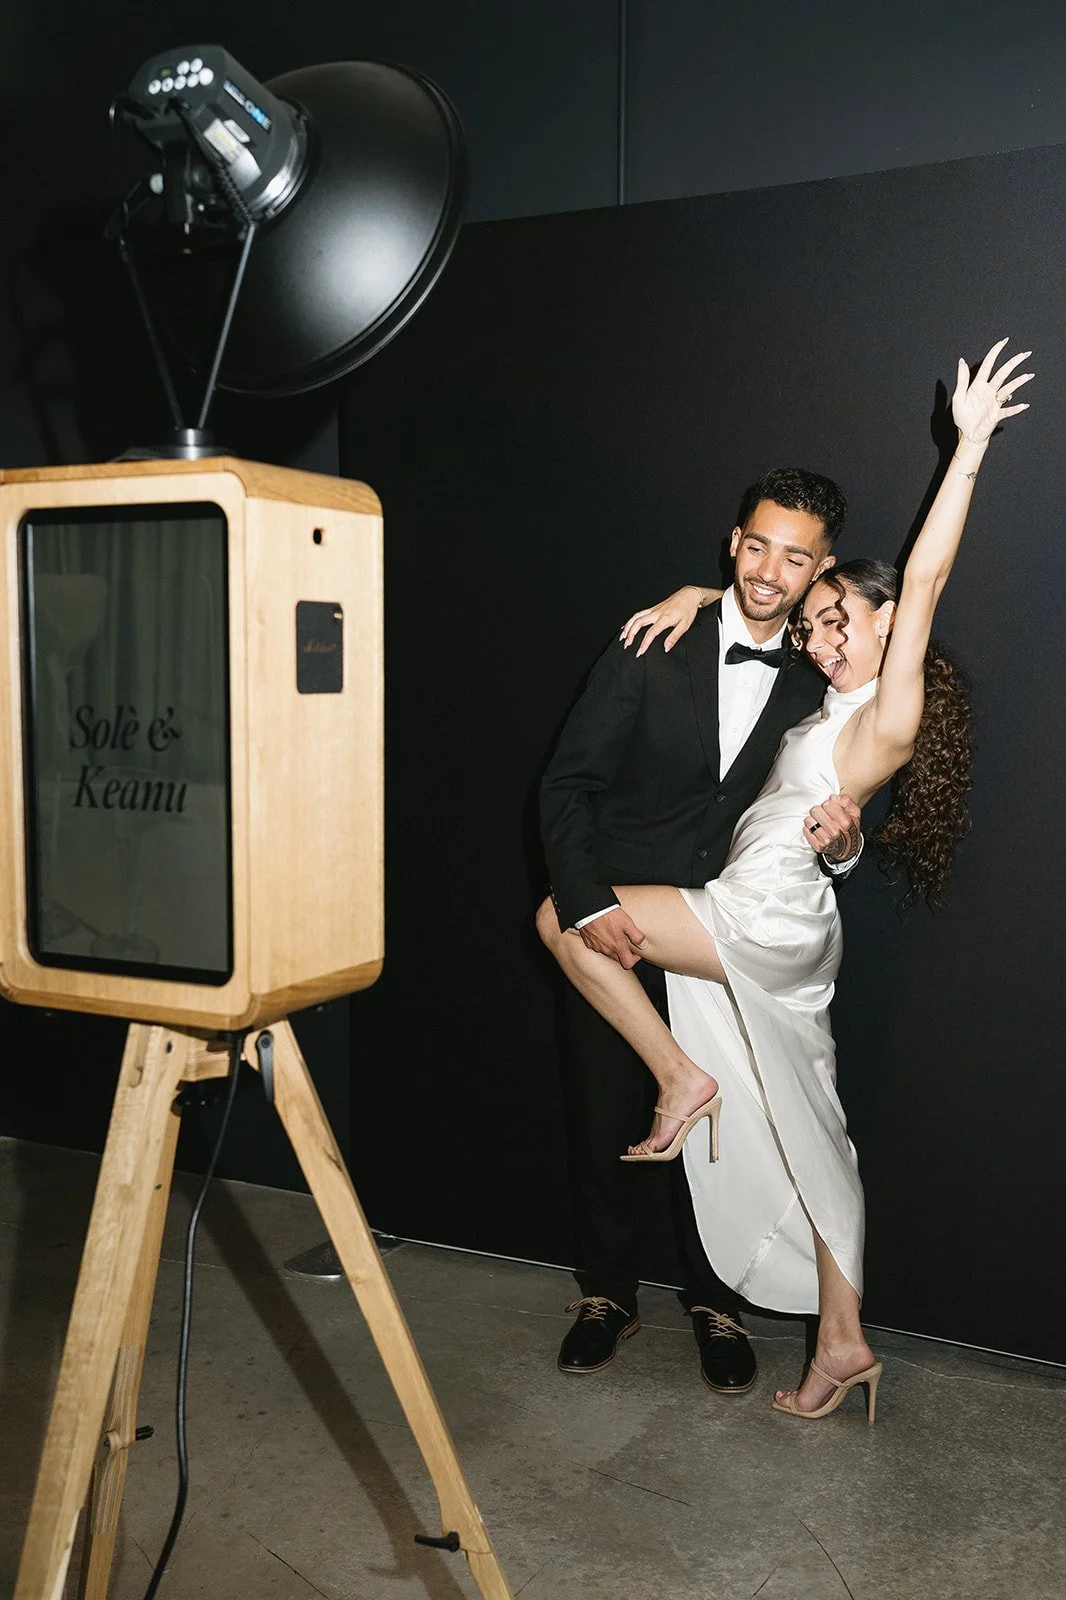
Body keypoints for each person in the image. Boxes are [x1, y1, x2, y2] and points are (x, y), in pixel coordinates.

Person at [538, 338, 1032, 1420]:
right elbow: (808, 800)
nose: (817, 636)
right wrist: (704, 594)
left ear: (885, 616)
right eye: (811, 624)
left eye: (836, 615)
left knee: (559, 919)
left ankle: (678, 1078)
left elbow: (927, 575)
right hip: (770, 918)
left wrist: (968, 449)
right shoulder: (822, 693)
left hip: (755, 917)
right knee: (811, 1127)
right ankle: (841, 1342)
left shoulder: (889, 703)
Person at [540, 462, 864, 1394]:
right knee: (604, 1106)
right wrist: (587, 901)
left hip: (722, 930)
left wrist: (844, 851)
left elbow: (828, 807)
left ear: (821, 570)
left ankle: (716, 1301)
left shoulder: (821, 677)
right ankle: (607, 1293)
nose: (768, 571)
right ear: (733, 544)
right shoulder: (655, 640)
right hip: (612, 913)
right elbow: (567, 783)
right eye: (756, 546)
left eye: (794, 558)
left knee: (726, 1132)